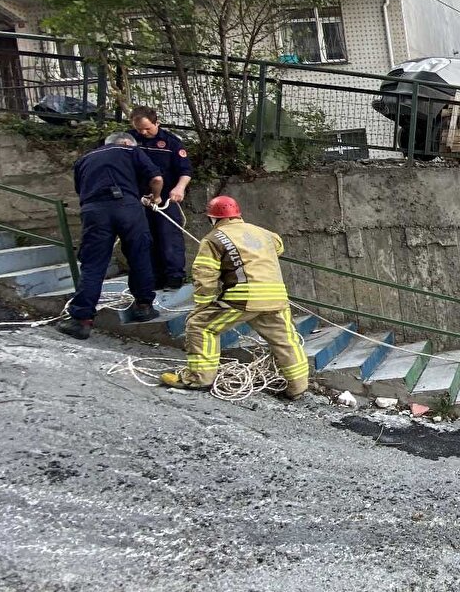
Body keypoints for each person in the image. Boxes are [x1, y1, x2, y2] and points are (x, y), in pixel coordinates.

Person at [160, 196, 308, 398]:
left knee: (200, 326)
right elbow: (279, 246)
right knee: (286, 341)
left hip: (243, 298)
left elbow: (205, 275)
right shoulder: (265, 234)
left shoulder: (213, 238)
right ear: (238, 214)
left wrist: (203, 305)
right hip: (277, 298)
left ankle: (199, 379)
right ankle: (298, 388)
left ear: (213, 218)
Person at [57, 132, 163, 340]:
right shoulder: (130, 150)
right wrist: (156, 197)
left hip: (94, 210)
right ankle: (143, 307)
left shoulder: (84, 159)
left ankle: (81, 320)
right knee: (139, 256)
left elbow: (82, 190)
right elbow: (156, 178)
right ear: (125, 142)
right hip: (128, 208)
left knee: (93, 264)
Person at [129, 106, 193, 290]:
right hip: (139, 198)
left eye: (147, 128)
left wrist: (179, 188)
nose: (143, 132)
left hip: (165, 198)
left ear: (157, 123)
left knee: (169, 236)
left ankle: (174, 277)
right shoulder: (130, 140)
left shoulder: (171, 143)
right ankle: (153, 277)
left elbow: (185, 170)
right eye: (139, 129)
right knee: (144, 238)